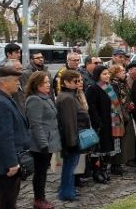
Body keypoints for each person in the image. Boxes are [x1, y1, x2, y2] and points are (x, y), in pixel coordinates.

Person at [0, 66, 31, 209]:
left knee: (9, 198)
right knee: (6, 200)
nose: (18, 84)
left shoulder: (4, 98)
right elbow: (4, 137)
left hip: (8, 159)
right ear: (4, 83)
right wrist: (11, 163)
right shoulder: (0, 102)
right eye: (16, 81)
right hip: (6, 163)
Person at [24, 71, 61, 209]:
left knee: (43, 172)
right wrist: (43, 144)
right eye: (45, 82)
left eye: (48, 82)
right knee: (39, 173)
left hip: (50, 140)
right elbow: (35, 124)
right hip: (41, 143)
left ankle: (41, 197)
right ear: (36, 84)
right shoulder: (34, 99)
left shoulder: (45, 97)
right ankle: (39, 199)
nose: (48, 85)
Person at [56, 70, 90, 201]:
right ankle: (66, 192)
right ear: (66, 82)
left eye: (80, 80)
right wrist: (72, 142)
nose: (78, 83)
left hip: (72, 137)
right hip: (71, 139)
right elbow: (69, 122)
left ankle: (68, 190)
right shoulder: (67, 98)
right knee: (69, 167)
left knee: (70, 166)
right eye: (75, 81)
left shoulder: (69, 96)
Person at [86, 65, 123, 183]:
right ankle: (97, 172)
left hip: (112, 123)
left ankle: (104, 169)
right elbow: (92, 107)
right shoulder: (93, 88)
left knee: (108, 148)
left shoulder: (110, 87)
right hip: (101, 124)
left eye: (108, 73)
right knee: (99, 150)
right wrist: (98, 122)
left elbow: (116, 105)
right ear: (98, 76)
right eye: (104, 74)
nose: (107, 76)